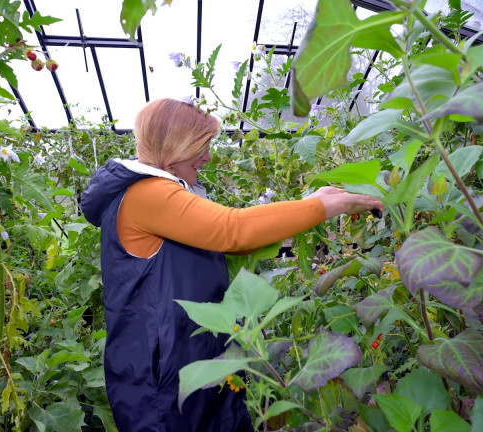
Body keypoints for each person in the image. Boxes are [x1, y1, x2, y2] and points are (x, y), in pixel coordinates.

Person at [81, 98, 384, 431]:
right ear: (175, 144)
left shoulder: (158, 194)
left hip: (188, 358)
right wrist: (332, 206)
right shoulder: (146, 194)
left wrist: (313, 202)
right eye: (202, 146)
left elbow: (233, 236)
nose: (208, 157)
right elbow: (233, 230)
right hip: (164, 376)